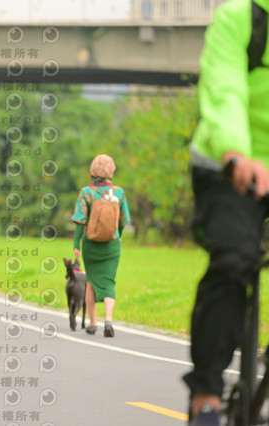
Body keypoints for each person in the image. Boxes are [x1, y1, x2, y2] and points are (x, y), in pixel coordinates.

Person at [183, 1, 269, 424]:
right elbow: (225, 88)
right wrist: (235, 151)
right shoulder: (242, 17)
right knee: (234, 258)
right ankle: (206, 395)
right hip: (228, 163)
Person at [71, 154, 130, 338]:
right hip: (112, 245)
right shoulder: (119, 193)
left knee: (91, 282)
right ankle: (108, 320)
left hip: (91, 245)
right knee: (109, 281)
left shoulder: (86, 192)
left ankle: (92, 322)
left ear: (93, 170)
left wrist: (76, 243)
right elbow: (124, 220)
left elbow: (80, 220)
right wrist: (118, 236)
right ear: (111, 170)